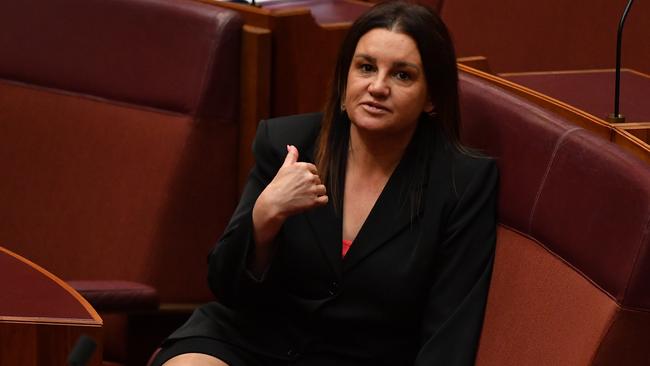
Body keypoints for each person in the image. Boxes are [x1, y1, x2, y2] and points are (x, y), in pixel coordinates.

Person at [153, 1, 498, 365]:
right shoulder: (288, 143)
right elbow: (225, 287)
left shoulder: (462, 183)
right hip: (255, 339)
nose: (378, 87)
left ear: (431, 97)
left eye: (402, 75)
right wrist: (264, 218)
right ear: (344, 79)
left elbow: (450, 332)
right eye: (366, 67)